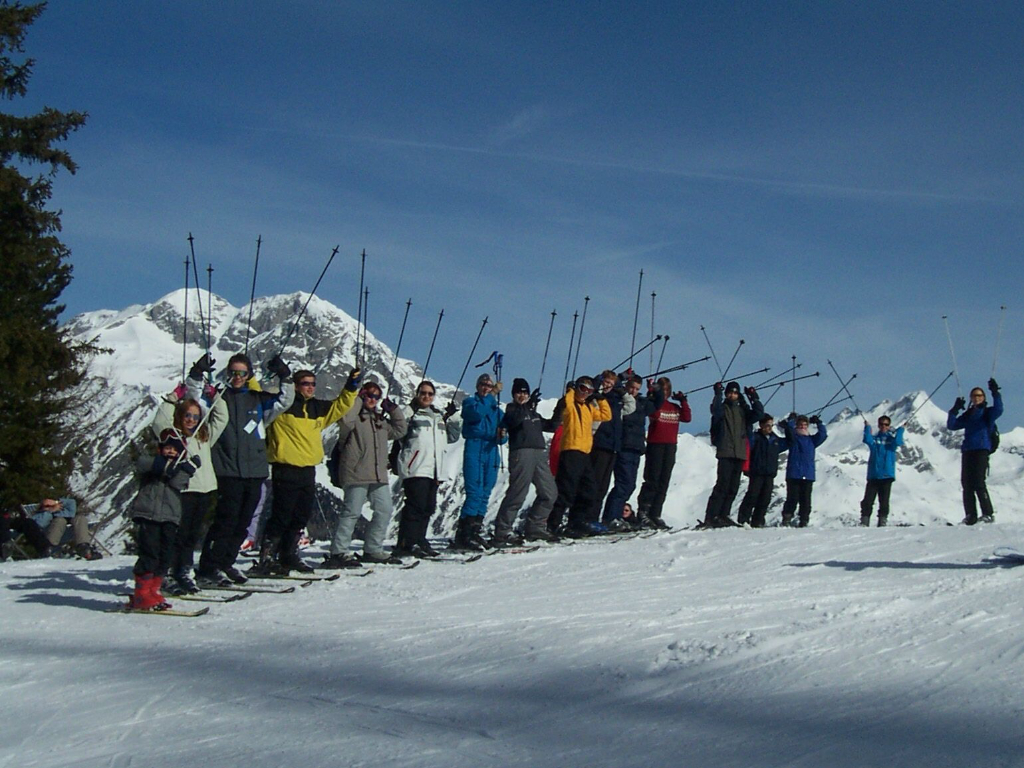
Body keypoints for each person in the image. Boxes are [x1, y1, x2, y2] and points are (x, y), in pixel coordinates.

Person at [195, 353, 294, 588]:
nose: (237, 377)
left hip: (255, 470)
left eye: (241, 373)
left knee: (244, 521)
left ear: (248, 375)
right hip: (227, 469)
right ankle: (209, 567)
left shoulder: (257, 399)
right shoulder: (219, 398)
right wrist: (196, 374)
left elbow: (285, 400)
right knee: (225, 521)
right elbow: (194, 400)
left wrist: (285, 376)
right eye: (233, 372)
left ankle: (226, 562)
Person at [256, 366, 361, 574]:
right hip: (285, 467)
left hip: (307, 469)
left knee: (300, 516)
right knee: (281, 514)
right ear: (295, 386)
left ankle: (289, 555)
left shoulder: (318, 408)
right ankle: (267, 557)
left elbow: (340, 406)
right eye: (306, 384)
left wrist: (351, 387)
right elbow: (255, 395)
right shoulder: (281, 406)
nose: (310, 388)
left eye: (313, 384)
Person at [151, 355, 229, 594]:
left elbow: (221, 417)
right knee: (178, 534)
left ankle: (184, 570)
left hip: (204, 490)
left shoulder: (204, 436)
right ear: (180, 416)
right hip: (183, 490)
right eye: (187, 416)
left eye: (195, 417)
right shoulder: (174, 436)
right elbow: (159, 419)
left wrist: (215, 396)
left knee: (192, 535)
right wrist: (174, 396)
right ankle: (168, 573)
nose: (191, 420)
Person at [324, 381, 407, 567]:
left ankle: (373, 548)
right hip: (356, 473)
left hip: (377, 474)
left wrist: (394, 410)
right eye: (369, 395)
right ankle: (339, 551)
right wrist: (357, 401)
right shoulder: (354, 418)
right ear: (362, 395)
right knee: (351, 512)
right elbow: (345, 421)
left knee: (384, 510)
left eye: (376, 396)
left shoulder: (380, 421)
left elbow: (400, 430)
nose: (373, 399)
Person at [127, 429, 202, 611]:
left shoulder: (179, 469)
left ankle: (153, 590)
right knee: (149, 553)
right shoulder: (152, 463)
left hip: (169, 516)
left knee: (165, 554)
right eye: (168, 448)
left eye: (175, 450)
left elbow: (177, 483)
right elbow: (142, 463)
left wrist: (187, 469)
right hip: (149, 514)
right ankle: (141, 593)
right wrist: (168, 465)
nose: (171, 452)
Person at [393, 380, 460, 558]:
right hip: (416, 467)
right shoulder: (412, 413)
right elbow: (398, 430)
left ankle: (419, 539)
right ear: (417, 394)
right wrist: (407, 410)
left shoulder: (437, 416)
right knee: (415, 506)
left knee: (428, 507)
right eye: (423, 393)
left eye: (430, 394)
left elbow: (452, 437)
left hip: (435, 469)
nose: (426, 396)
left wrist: (452, 417)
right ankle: (407, 542)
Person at [494, 377, 558, 545]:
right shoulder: (512, 409)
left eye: (525, 392)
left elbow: (551, 425)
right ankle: (503, 530)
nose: (522, 395)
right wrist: (525, 406)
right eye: (518, 392)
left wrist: (562, 407)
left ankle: (536, 526)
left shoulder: (533, 413)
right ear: (514, 394)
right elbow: (513, 421)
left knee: (549, 492)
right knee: (518, 493)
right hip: (521, 453)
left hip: (539, 453)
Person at [547, 376, 612, 537]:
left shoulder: (588, 408)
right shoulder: (570, 406)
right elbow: (567, 402)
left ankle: (576, 521)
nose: (586, 393)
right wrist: (571, 390)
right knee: (566, 490)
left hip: (584, 453)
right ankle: (553, 524)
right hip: (570, 451)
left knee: (589, 489)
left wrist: (600, 398)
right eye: (583, 389)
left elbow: (606, 415)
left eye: (589, 391)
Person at [453, 373, 507, 550]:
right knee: (474, 491)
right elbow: (476, 414)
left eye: (489, 386)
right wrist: (491, 398)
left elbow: (502, 437)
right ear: (477, 386)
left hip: (491, 449)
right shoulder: (470, 403)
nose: (486, 388)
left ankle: (474, 530)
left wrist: (502, 436)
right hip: (475, 447)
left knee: (485, 492)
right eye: (483, 385)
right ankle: (464, 533)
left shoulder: (497, 411)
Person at [702, 382, 763, 528]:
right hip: (726, 451)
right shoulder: (723, 409)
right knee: (722, 485)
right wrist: (717, 393)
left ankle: (723, 515)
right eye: (730, 392)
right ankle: (711, 516)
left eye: (735, 393)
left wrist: (753, 397)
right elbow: (715, 410)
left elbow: (759, 413)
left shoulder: (743, 410)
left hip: (739, 452)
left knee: (733, 487)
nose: (732, 395)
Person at [635, 377, 691, 529]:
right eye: (662, 389)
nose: (665, 392)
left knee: (664, 481)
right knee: (652, 479)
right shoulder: (655, 405)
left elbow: (687, 417)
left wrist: (683, 401)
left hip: (670, 446)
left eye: (667, 390)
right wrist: (652, 392)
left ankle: (656, 513)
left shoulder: (674, 407)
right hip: (656, 445)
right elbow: (651, 411)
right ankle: (643, 512)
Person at [603, 374, 655, 531]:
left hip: (636, 447)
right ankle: (611, 518)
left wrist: (654, 390)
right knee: (623, 484)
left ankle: (615, 516)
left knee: (630, 485)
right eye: (632, 387)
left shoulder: (641, 403)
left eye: (637, 389)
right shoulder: (620, 400)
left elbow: (655, 405)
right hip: (624, 447)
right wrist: (620, 379)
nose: (634, 391)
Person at [947, 379, 1003, 524]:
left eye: (979, 395)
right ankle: (970, 516)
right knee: (966, 484)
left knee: (978, 482)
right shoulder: (968, 415)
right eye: (974, 396)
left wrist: (995, 393)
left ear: (984, 398)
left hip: (981, 450)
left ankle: (988, 514)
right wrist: (954, 410)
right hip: (968, 451)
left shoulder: (987, 413)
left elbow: (999, 409)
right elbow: (952, 425)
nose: (976, 398)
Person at [588, 369, 635, 532]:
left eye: (610, 383)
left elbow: (631, 407)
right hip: (599, 443)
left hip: (613, 446)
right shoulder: (596, 398)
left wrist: (623, 393)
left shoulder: (616, 400)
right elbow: (592, 392)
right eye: (606, 382)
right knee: (594, 483)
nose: (607, 386)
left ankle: (595, 519)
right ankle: (589, 518)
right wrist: (599, 384)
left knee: (603, 485)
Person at [736, 414, 788, 527]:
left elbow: (790, 441)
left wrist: (788, 427)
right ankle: (743, 519)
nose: (770, 427)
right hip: (757, 471)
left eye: (771, 425)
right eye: (767, 425)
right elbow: (748, 442)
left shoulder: (775, 440)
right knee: (752, 495)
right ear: (761, 425)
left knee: (765, 498)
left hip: (769, 473)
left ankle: (758, 520)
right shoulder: (755, 438)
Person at [779, 414, 828, 527]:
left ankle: (804, 520)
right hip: (794, 473)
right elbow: (789, 429)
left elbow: (823, 434)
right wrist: (791, 420)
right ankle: (787, 518)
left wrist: (819, 423)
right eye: (800, 424)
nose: (802, 427)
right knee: (792, 498)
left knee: (805, 500)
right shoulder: (793, 438)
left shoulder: (812, 440)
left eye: (805, 425)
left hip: (807, 474)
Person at [22, 496, 102, 560]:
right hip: (48, 539)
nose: (51, 507)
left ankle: (84, 548)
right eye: (47, 506)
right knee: (60, 521)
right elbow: (38, 524)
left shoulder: (61, 512)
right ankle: (48, 550)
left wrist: (57, 502)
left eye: (53, 505)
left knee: (80, 518)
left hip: (66, 532)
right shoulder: (39, 515)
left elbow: (72, 504)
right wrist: (50, 511)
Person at [860, 415, 905, 526]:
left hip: (886, 476)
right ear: (878, 425)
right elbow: (867, 439)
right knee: (867, 501)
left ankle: (882, 522)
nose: (883, 426)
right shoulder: (875, 440)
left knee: (884, 502)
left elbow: (899, 441)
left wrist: (901, 430)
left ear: (889, 426)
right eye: (881, 424)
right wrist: (867, 427)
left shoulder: (892, 441)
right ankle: (865, 522)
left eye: (886, 424)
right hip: (874, 475)